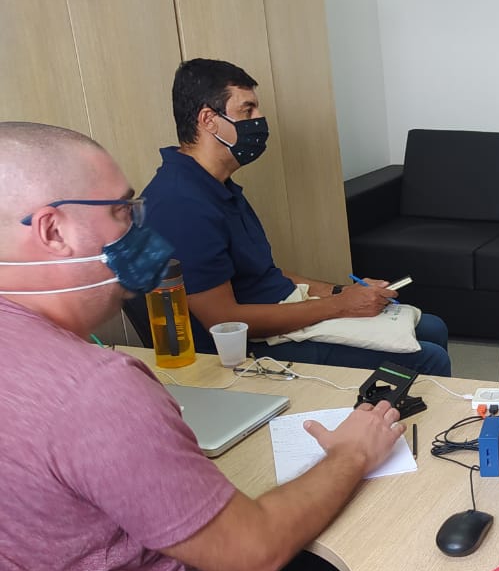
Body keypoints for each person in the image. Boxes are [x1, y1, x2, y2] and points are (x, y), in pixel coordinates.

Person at [0, 122, 405, 571]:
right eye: (121, 211)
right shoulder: (90, 389)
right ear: (53, 231)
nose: (139, 229)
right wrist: (351, 453)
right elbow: (252, 552)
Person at [144, 58, 451, 375]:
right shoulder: (181, 204)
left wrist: (340, 292)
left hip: (280, 309)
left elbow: (263, 274)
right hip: (247, 347)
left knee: (432, 327)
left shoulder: (218, 186)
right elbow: (224, 322)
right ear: (209, 119)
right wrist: (341, 306)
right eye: (247, 110)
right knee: (428, 357)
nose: (259, 120)